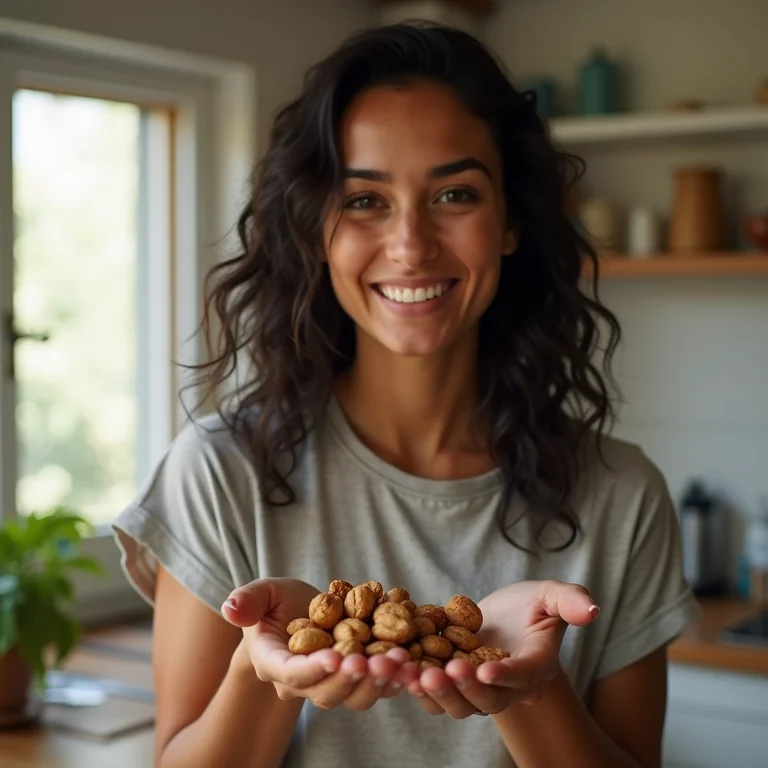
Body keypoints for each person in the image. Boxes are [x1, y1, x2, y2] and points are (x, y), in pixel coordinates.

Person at [112, 21, 698, 768]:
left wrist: (530, 689)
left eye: (454, 193)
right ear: (315, 228)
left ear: (511, 221)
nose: (411, 244)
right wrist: (265, 669)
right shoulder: (220, 474)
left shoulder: (621, 496)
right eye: (364, 200)